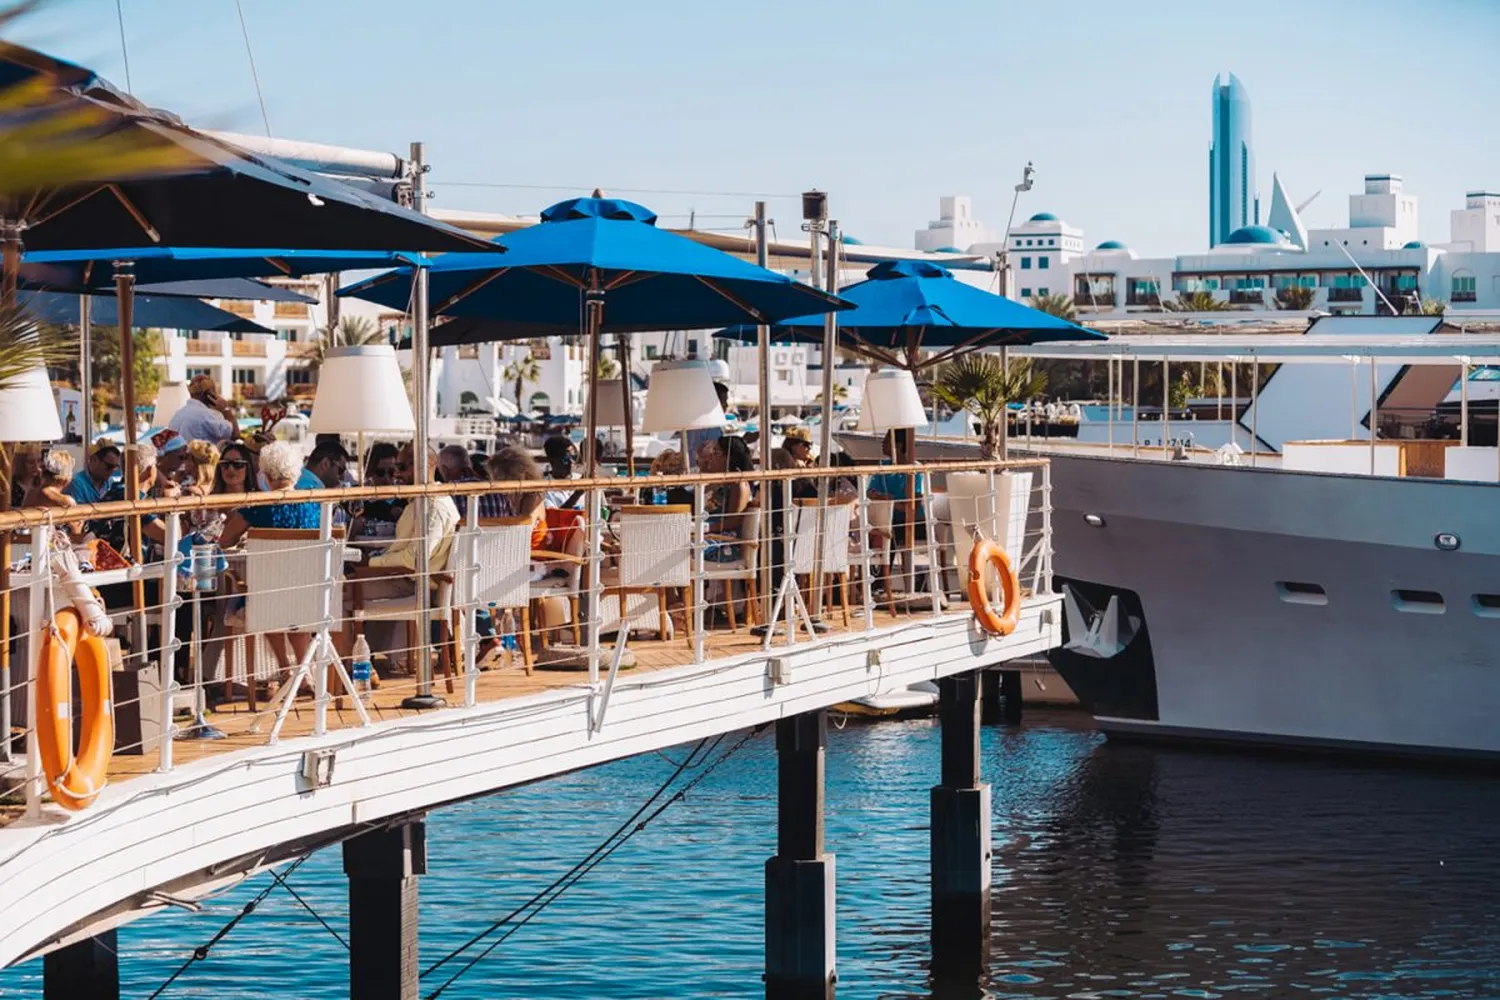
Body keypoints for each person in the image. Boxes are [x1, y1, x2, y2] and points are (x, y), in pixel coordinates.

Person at [354, 446, 460, 673]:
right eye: (394, 470)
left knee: (336, 592)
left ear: (424, 467)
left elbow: (415, 559)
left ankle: (349, 669)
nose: (397, 475)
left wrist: (370, 563)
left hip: (412, 583)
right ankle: (364, 660)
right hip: (406, 578)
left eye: (401, 468)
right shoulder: (426, 502)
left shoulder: (432, 506)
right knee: (344, 585)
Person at [167, 374, 240, 445]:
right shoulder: (206, 415)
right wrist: (225, 409)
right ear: (209, 394)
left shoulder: (178, 414)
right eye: (215, 391)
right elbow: (235, 434)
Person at [542, 435, 582, 508]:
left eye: (573, 457)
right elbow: (555, 516)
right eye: (566, 459)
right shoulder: (544, 489)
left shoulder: (581, 479)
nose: (571, 462)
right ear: (552, 461)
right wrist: (578, 493)